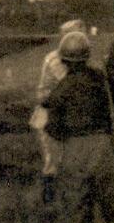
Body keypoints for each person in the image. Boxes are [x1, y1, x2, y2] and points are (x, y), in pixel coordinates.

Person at [42, 31, 114, 223]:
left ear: (63, 61)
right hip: (103, 144)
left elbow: (53, 128)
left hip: (74, 148)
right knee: (113, 204)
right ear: (87, 55)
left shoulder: (62, 88)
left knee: (75, 206)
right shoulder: (101, 78)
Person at [30, 19, 86, 203]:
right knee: (53, 159)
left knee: (67, 158)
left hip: (60, 112)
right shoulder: (57, 59)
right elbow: (70, 84)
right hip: (48, 114)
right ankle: (50, 203)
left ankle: (64, 200)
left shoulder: (70, 58)